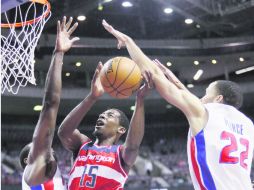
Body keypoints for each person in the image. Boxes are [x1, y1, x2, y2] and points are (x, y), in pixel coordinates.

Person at [102, 20, 254, 190]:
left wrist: (129, 42)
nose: (201, 98)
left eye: (206, 94)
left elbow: (155, 74)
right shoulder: (248, 126)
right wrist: (177, 83)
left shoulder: (207, 111)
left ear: (218, 98)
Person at [57, 61, 150, 189]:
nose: (102, 116)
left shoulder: (120, 154)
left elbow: (133, 145)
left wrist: (140, 100)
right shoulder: (82, 145)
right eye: (102, 115)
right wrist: (92, 97)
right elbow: (63, 133)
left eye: (110, 115)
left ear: (121, 129)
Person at [19, 16, 79, 190]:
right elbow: (50, 103)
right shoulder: (32, 176)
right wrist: (58, 54)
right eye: (36, 147)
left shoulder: (50, 177)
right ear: (27, 160)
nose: (47, 146)